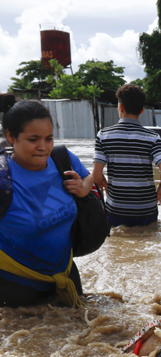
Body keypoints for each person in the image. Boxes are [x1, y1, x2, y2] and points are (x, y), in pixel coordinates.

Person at [0, 100, 92, 307]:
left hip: (66, 273)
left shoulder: (61, 159)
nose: (43, 147)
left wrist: (83, 187)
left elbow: (88, 177)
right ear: (11, 137)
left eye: (49, 138)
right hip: (16, 285)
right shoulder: (3, 180)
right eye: (33, 139)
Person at [93, 84, 161, 227]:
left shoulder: (104, 135)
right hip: (147, 210)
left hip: (116, 209)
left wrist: (103, 183)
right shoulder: (153, 137)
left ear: (120, 107)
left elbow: (96, 175)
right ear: (142, 110)